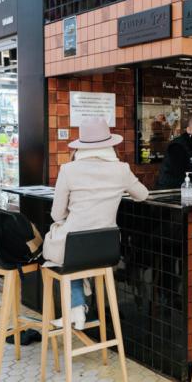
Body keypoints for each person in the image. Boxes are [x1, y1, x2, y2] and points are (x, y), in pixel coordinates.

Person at [43, 117, 148, 329]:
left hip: (75, 249)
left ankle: (77, 307)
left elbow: (56, 215)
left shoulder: (69, 170)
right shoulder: (121, 169)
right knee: (75, 251)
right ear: (110, 144)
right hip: (106, 250)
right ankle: (77, 307)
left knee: (65, 245)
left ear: (81, 147)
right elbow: (143, 195)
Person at [156, 111, 192, 189]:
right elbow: (179, 177)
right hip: (169, 190)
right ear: (188, 130)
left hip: (189, 187)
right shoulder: (177, 147)